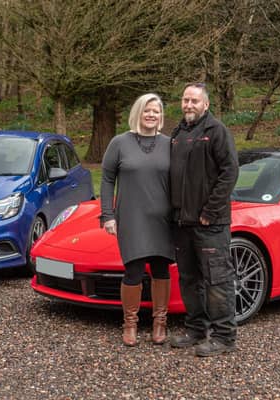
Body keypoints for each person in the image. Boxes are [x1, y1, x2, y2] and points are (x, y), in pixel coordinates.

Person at [169, 83, 239, 357]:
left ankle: (224, 337)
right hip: (182, 224)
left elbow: (229, 172)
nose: (188, 105)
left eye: (194, 101)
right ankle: (196, 329)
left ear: (206, 105)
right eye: (185, 100)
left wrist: (210, 211)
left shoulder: (216, 131)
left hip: (211, 224)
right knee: (189, 279)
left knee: (217, 280)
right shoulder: (177, 133)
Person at [100, 93, 175, 347]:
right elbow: (107, 179)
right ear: (138, 113)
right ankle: (130, 324)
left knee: (161, 269)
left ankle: (159, 323)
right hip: (131, 216)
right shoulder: (119, 142)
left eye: (156, 111)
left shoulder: (170, 144)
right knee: (133, 269)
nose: (151, 115)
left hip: (163, 218)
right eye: (147, 110)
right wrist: (107, 215)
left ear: (161, 116)